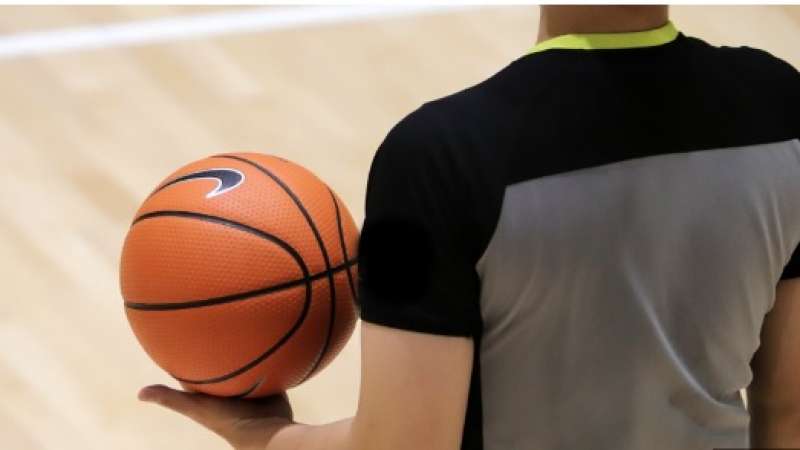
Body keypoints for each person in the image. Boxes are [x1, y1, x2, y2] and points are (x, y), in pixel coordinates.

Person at [138, 5, 800, 449]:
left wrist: (265, 436)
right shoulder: (782, 108)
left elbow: (404, 443)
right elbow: (787, 411)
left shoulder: (434, 158)